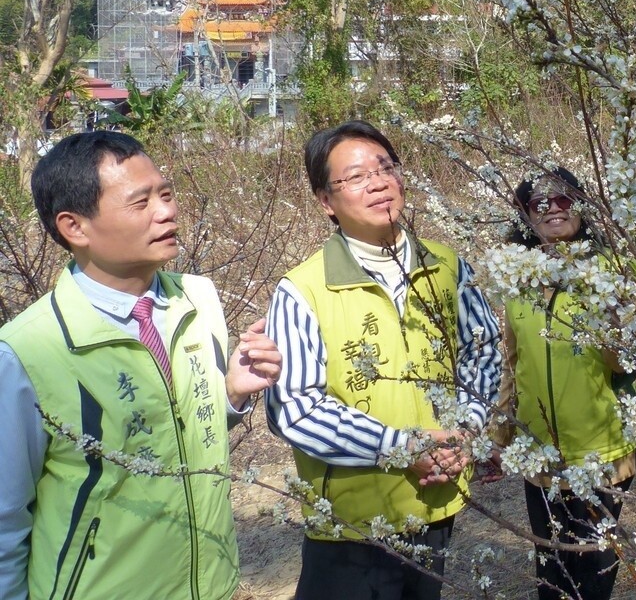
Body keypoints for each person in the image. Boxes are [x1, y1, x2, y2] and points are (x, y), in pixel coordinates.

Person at [0, 130, 282, 600]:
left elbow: (174, 431)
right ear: (75, 227)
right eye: (141, 202)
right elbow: (5, 519)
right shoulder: (25, 353)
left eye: (166, 194)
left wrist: (230, 395)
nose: (166, 211)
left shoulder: (198, 298)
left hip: (211, 585)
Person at [266, 120, 501, 600]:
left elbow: (483, 350)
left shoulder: (447, 266)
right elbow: (296, 409)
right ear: (325, 201)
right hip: (349, 522)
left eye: (385, 167)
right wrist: (403, 446)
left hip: (437, 498)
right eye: (354, 177)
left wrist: (467, 430)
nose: (376, 182)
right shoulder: (303, 289)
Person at [495, 167, 636, 600]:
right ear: (525, 217)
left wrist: (613, 310)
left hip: (602, 450)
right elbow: (513, 360)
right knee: (552, 568)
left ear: (582, 208)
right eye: (539, 203)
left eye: (564, 199)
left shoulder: (611, 269)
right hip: (539, 453)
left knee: (593, 569)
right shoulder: (517, 278)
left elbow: (627, 363)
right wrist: (501, 426)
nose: (553, 209)